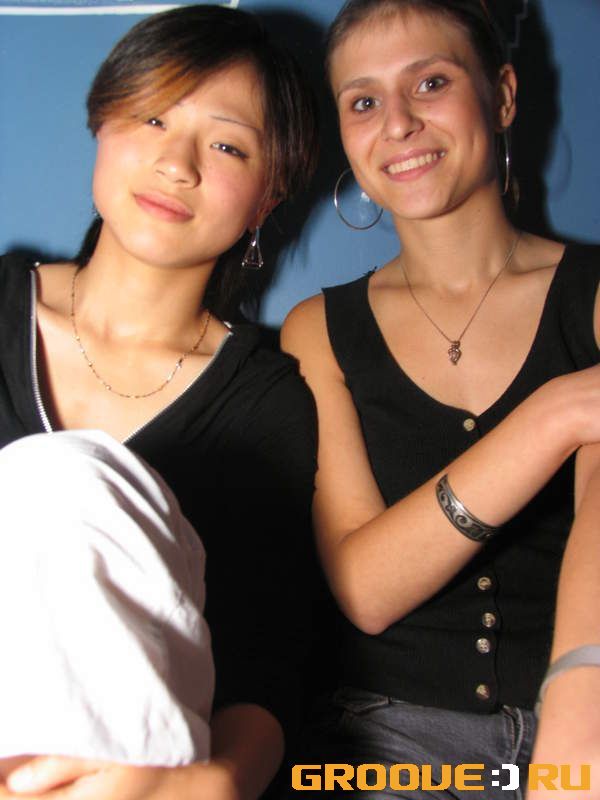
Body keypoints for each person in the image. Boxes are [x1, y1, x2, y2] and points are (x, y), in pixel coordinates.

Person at [282, 1, 600, 797]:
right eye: (363, 101)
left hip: (578, 718)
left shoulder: (593, 296)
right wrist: (557, 414)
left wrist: (579, 707)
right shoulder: (319, 330)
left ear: (503, 95)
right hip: (377, 741)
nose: (397, 123)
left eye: (430, 83)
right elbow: (364, 589)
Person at [0, 5, 319, 799]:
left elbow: (268, 663)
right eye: (153, 117)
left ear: (268, 196)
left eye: (227, 145)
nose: (178, 164)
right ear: (102, 121)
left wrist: (217, 784)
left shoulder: (266, 401)